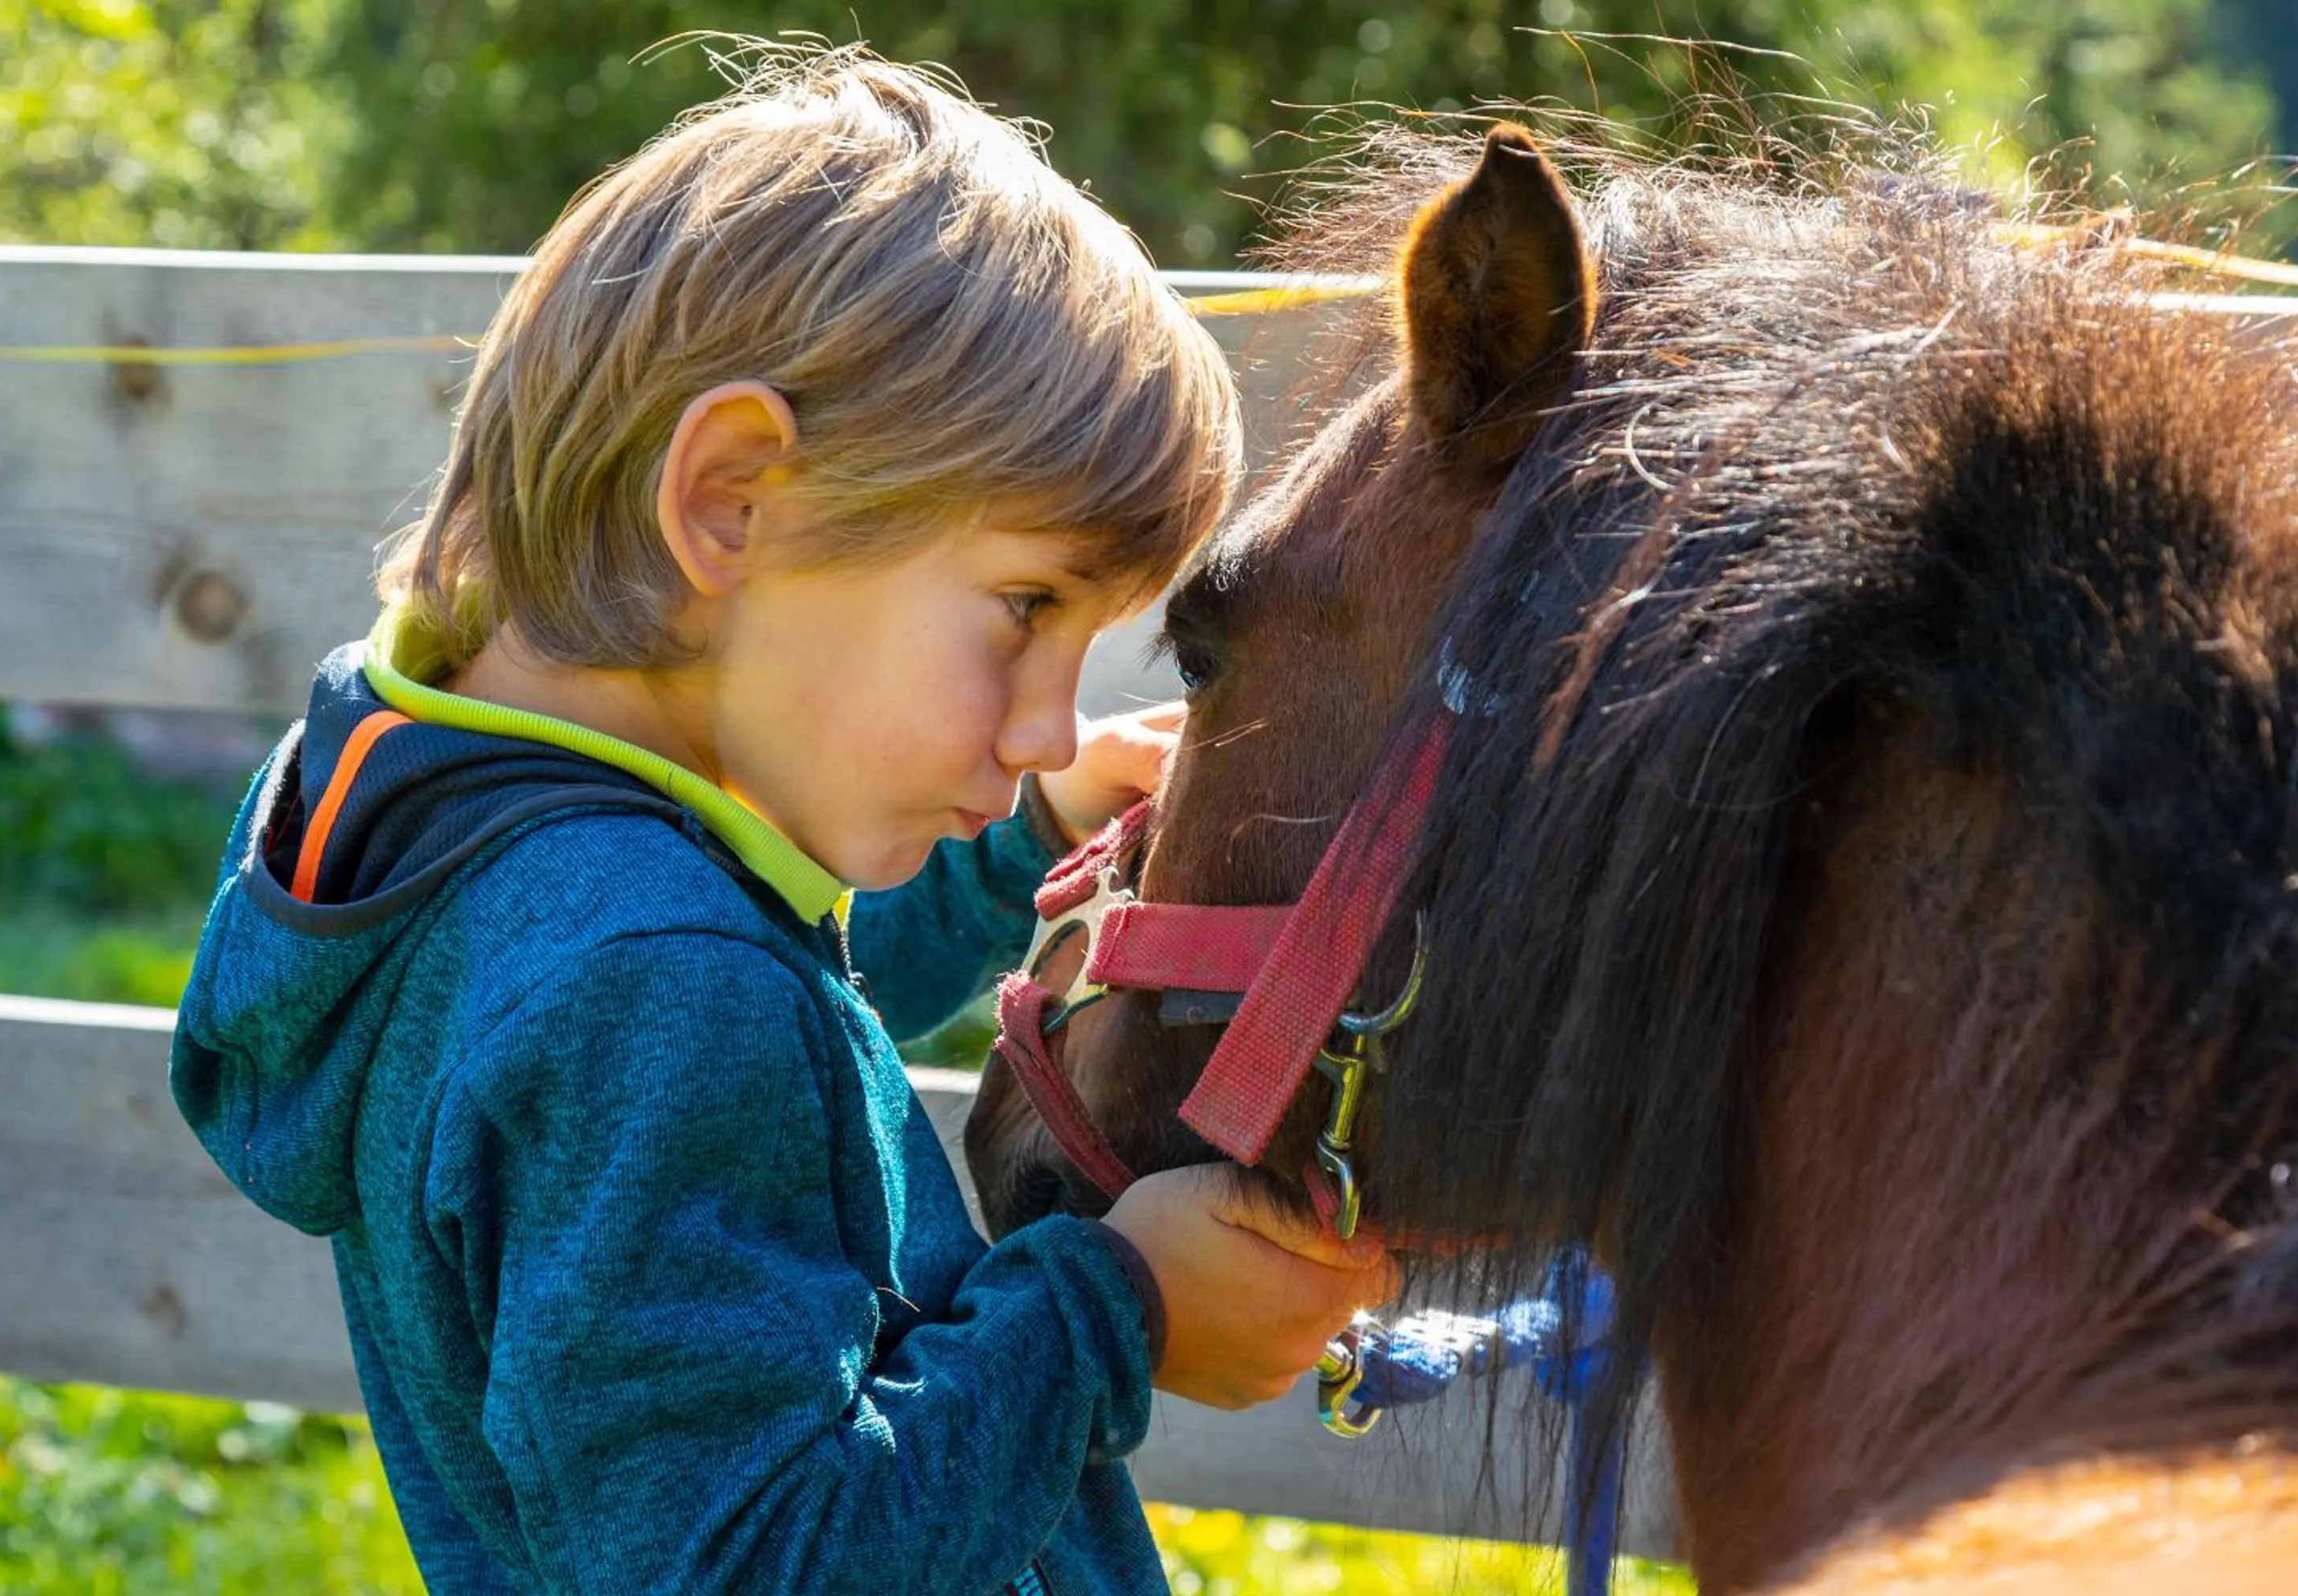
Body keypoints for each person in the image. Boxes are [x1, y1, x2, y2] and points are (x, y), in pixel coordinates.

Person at [170, 45, 1395, 1595]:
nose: (1047, 727)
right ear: (733, 496)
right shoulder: (654, 986)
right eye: (1025, 609)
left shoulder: (448, 834)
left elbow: (765, 1019)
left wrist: (1019, 849)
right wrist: (1120, 1304)